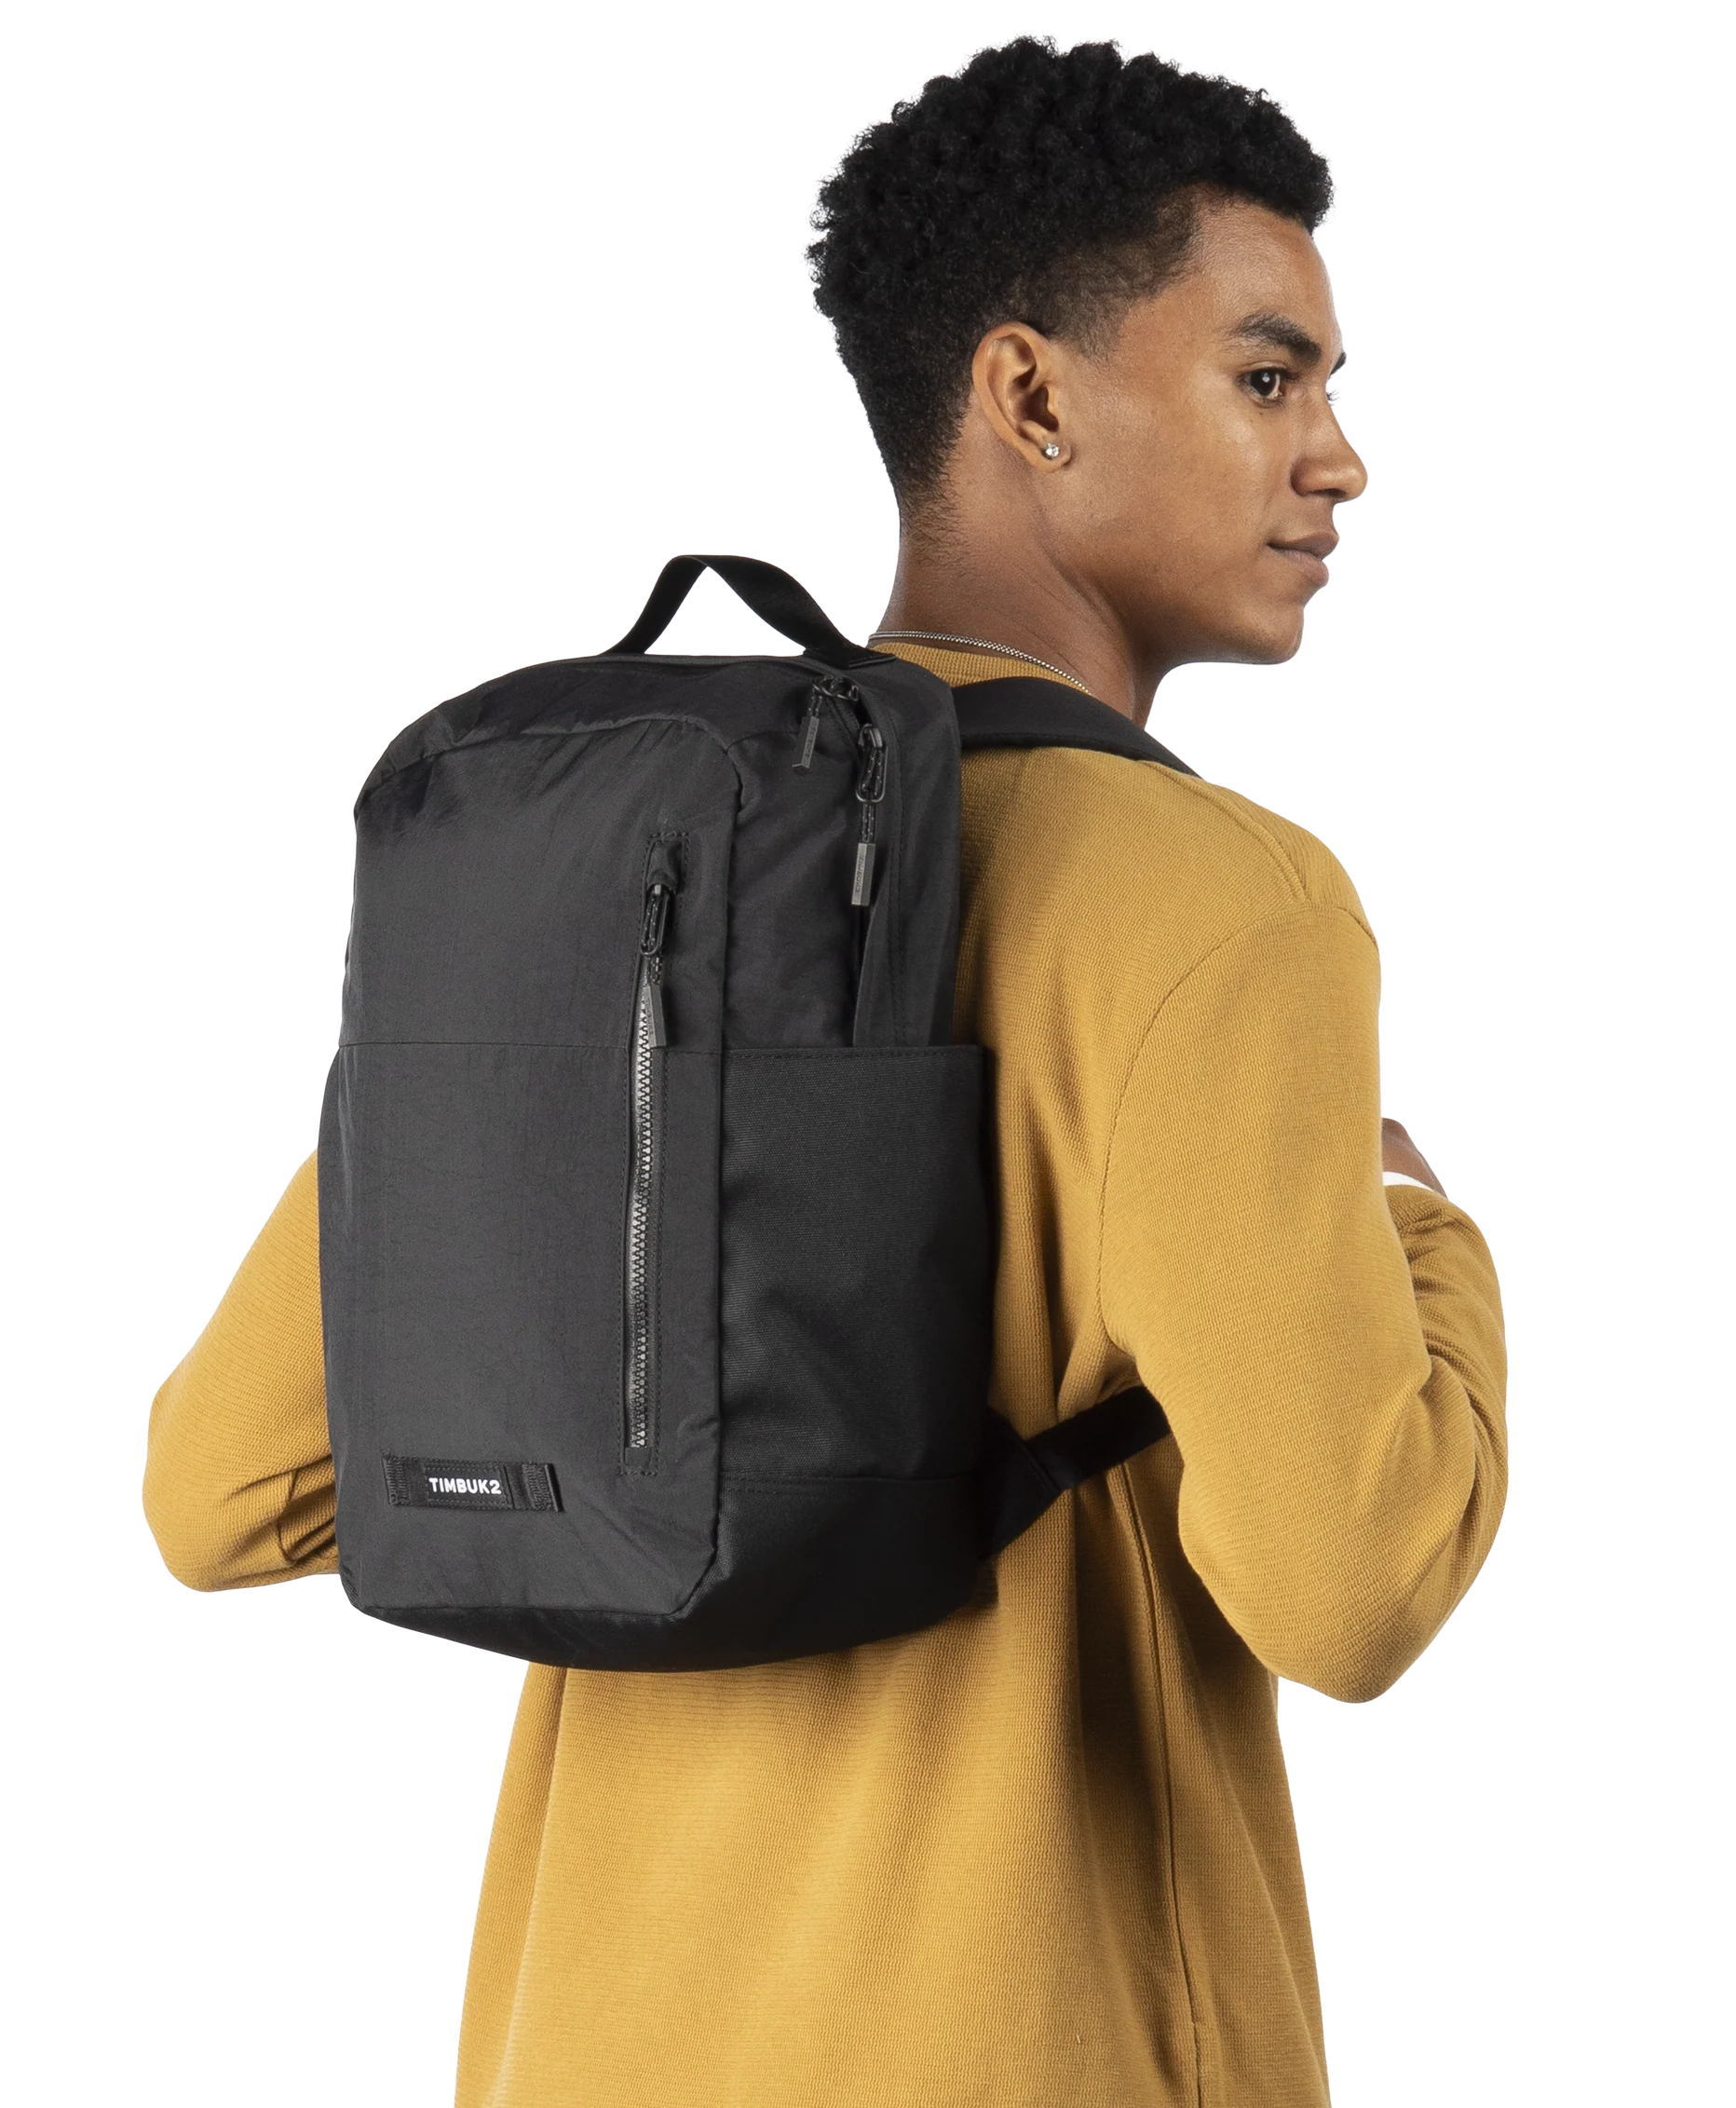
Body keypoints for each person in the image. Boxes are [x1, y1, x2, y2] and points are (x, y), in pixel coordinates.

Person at [141, 34, 1510, 2107]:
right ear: (1029, 397)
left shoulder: (623, 857)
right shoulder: (1221, 901)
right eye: (1267, 378)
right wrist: (1420, 1236)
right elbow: (1353, 1586)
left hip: (585, 2051)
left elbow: (224, 1492)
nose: (1341, 461)